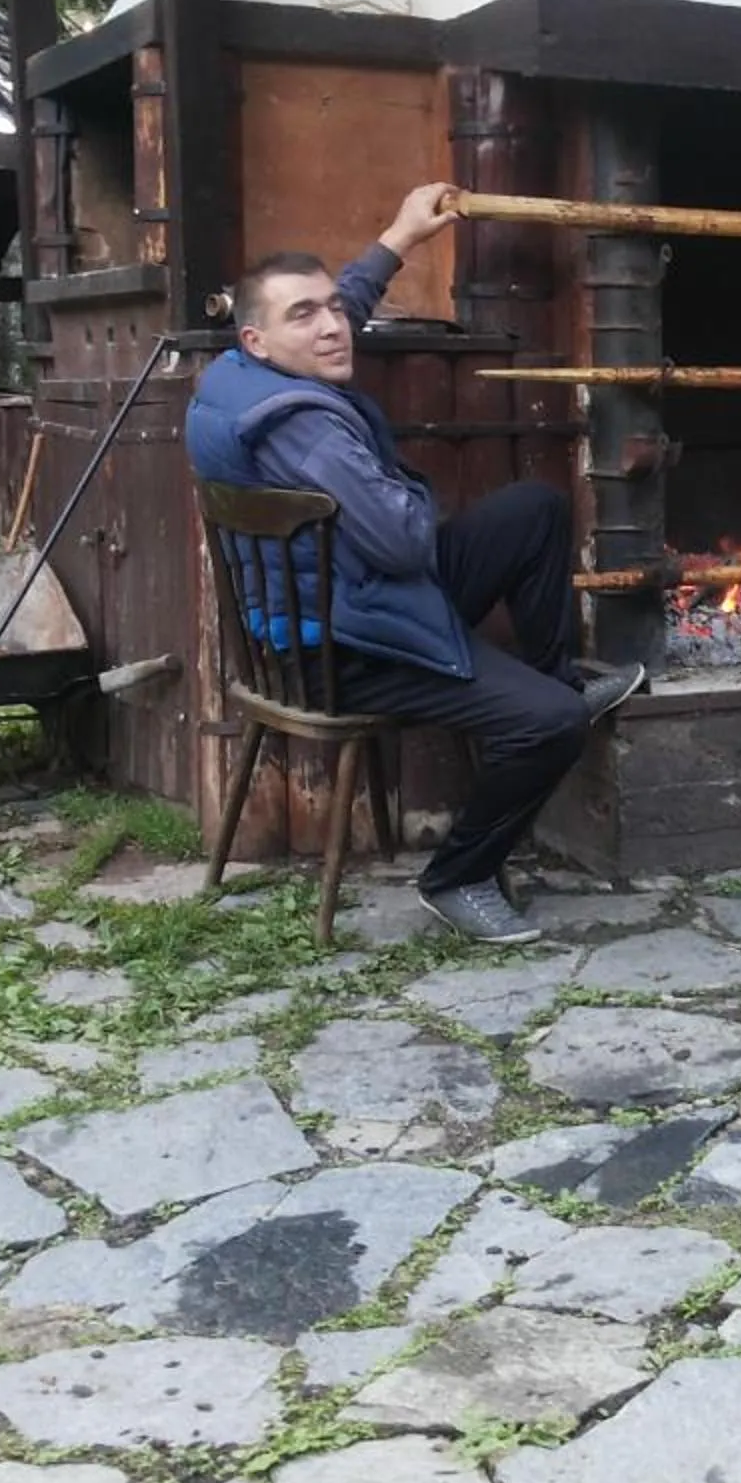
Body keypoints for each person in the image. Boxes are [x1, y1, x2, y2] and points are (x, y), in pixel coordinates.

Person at [186, 183, 643, 944]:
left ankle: (556, 673)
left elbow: (334, 312)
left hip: (347, 602)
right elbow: (401, 544)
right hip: (347, 645)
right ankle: (458, 875)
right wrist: (400, 493)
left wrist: (399, 237)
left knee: (534, 509)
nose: (334, 326)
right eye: (306, 315)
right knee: (551, 724)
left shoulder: (240, 380)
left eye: (334, 306)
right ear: (256, 340)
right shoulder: (308, 432)